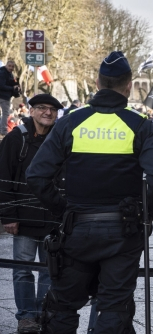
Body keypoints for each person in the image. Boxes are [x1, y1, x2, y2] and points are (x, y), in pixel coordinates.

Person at [26, 50, 153, 334]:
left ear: (97, 82)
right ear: (128, 85)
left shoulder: (71, 121)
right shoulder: (140, 125)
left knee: (63, 307)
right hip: (123, 231)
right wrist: (147, 213)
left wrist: (64, 208)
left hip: (76, 228)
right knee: (114, 307)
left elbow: (37, 174)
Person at [0, 94, 63, 333]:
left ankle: (43, 313)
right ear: (32, 110)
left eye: (52, 110)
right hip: (24, 218)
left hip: (53, 220)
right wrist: (8, 215)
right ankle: (26, 317)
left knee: (50, 271)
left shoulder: (60, 138)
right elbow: (3, 179)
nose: (48, 113)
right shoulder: (17, 138)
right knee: (23, 271)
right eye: (42, 108)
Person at [0, 59, 20, 138]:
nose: (11, 68)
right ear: (6, 65)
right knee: (5, 114)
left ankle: (3, 130)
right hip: (3, 97)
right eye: (9, 66)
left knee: (5, 114)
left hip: (6, 96)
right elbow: (1, 85)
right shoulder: (2, 73)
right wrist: (12, 88)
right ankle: (3, 131)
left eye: (12, 67)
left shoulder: (9, 74)